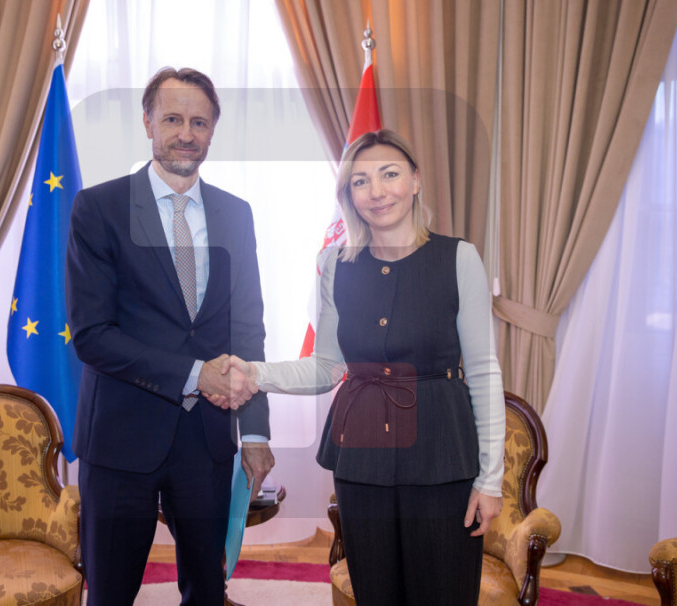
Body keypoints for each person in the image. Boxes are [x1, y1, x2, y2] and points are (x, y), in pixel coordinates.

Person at [216, 129, 505, 605]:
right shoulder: (336, 264)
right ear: (349, 195)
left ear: (415, 180)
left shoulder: (458, 258)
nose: (377, 191)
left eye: (389, 174)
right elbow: (327, 368)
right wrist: (254, 373)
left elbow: (483, 373)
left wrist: (489, 481)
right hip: (361, 459)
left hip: (442, 456)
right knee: (374, 593)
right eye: (360, 181)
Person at [65, 66, 275, 606]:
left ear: (212, 130)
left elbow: (247, 329)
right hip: (119, 438)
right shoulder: (99, 208)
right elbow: (92, 335)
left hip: (206, 441)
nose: (186, 133)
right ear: (148, 123)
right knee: (110, 593)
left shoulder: (236, 214)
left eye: (199, 122)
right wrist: (194, 374)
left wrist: (255, 433)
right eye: (173, 119)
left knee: (207, 591)